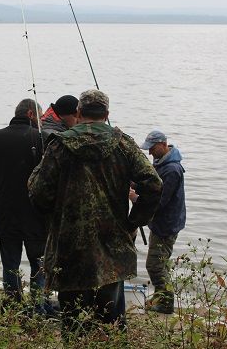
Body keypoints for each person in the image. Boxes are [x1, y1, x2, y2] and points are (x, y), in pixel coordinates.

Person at [28, 89, 162, 331]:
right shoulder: (123, 144)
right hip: (112, 250)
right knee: (110, 325)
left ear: (79, 113)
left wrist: (53, 217)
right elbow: (153, 184)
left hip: (69, 250)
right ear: (107, 114)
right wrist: (133, 222)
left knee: (74, 325)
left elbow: (37, 191)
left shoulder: (59, 145)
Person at [0, 98, 49, 308]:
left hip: (6, 214)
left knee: (11, 263)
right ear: (31, 114)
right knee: (39, 264)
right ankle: (38, 307)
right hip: (37, 216)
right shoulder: (43, 139)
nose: (42, 121)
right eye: (39, 116)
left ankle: (13, 306)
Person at [130, 130, 186, 314]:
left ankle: (166, 304)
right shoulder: (161, 162)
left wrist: (136, 198)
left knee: (155, 265)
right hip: (160, 221)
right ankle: (161, 295)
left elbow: (160, 201)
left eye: (152, 149)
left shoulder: (172, 170)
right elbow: (153, 185)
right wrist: (135, 184)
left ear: (163, 144)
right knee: (161, 263)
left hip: (166, 224)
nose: (150, 153)